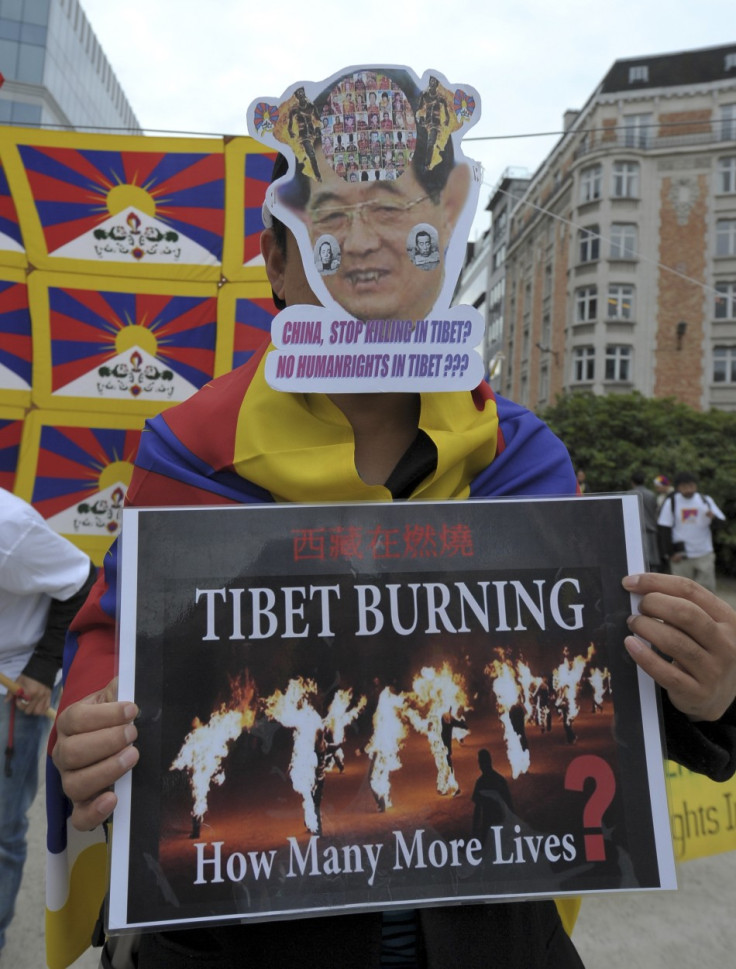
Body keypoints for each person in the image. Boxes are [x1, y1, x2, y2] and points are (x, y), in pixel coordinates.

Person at [52, 165, 736, 969]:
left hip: (492, 940)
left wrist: (716, 693)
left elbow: (601, 681)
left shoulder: (523, 458)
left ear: (443, 244)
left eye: (394, 212)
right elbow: (115, 640)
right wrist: (86, 734)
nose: (365, 242)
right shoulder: (191, 449)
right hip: (234, 940)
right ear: (275, 260)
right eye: (330, 217)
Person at [0, 488, 95, 954]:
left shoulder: (7, 528)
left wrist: (41, 671)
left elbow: (81, 581)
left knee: (0, 830)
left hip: (11, 691)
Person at [657, 471, 726, 592]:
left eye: (691, 486)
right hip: (681, 555)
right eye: (684, 486)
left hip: (704, 553)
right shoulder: (672, 502)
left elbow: (722, 523)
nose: (688, 489)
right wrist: (670, 553)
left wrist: (713, 517)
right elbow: (664, 529)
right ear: (678, 487)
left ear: (696, 485)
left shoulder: (705, 500)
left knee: (707, 592)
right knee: (681, 592)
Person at [471, 748, 514, 838]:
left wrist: (475, 829)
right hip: (499, 823)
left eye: (481, 762)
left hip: (489, 824)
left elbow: (477, 809)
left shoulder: (481, 783)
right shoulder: (500, 780)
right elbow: (509, 803)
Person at [628, 471, 662, 571]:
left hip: (634, 532)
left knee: (637, 563)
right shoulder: (651, 495)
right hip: (650, 531)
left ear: (632, 482)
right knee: (652, 564)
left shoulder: (629, 494)